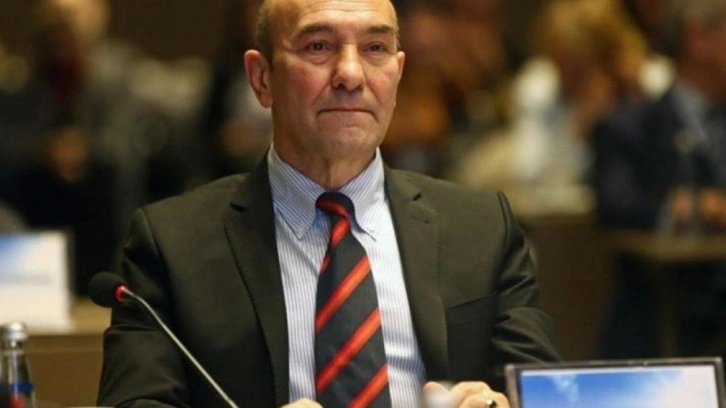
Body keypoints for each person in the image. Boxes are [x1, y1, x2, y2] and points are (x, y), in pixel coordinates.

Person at [97, 0, 560, 406]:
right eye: (318, 46)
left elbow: (549, 395)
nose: (351, 74)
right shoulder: (171, 245)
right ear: (262, 78)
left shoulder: (483, 229)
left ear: (398, 73)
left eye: (375, 48)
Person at [593, 0, 726, 358]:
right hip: (670, 325)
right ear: (700, 38)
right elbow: (615, 205)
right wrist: (682, 207)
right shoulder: (630, 127)